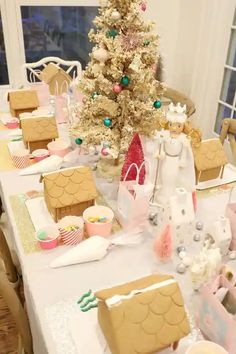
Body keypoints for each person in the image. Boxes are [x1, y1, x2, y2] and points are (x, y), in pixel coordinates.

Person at [154, 102, 201, 204]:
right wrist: (160, 152)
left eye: (178, 126)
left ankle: (170, 193)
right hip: (166, 160)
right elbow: (160, 143)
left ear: (182, 126)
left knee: (172, 177)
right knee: (164, 176)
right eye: (171, 125)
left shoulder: (182, 139)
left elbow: (184, 151)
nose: (174, 128)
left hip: (175, 162)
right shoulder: (165, 135)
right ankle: (164, 192)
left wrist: (183, 160)